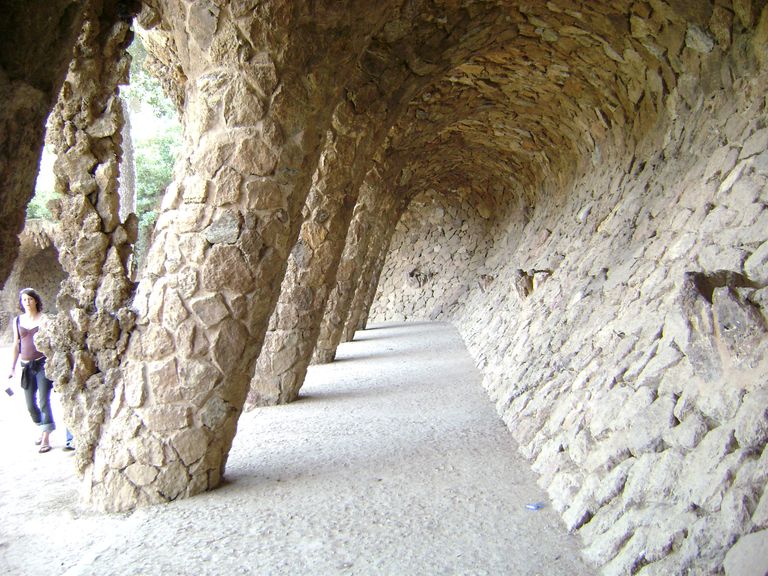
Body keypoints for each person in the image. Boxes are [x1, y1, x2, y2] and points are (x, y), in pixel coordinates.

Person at [7, 288, 56, 453]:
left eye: (29, 299)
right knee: (30, 404)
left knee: (43, 400)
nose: (27, 302)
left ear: (35, 300)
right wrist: (12, 367)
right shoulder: (18, 321)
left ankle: (45, 438)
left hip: (42, 364)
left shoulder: (44, 319)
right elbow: (16, 344)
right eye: (24, 300)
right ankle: (42, 426)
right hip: (26, 365)